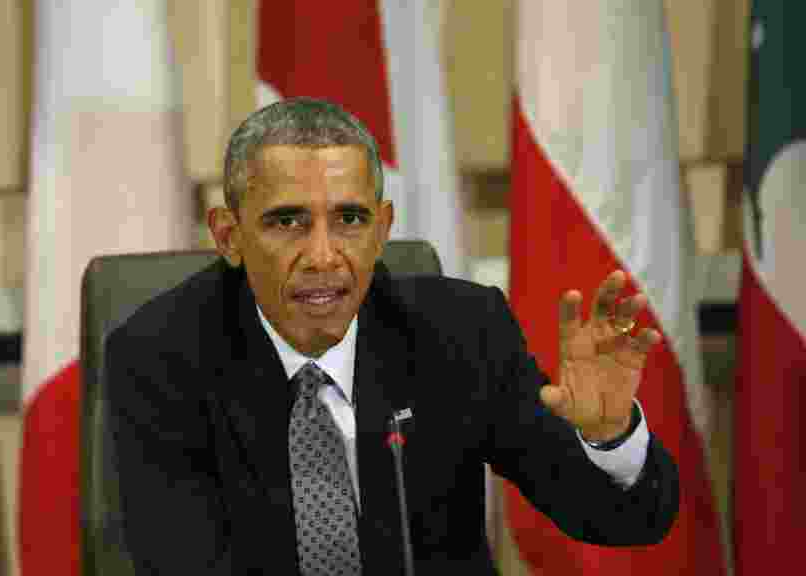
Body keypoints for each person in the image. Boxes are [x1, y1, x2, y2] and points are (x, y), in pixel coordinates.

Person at [106, 97, 678, 575]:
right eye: (289, 221)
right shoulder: (160, 356)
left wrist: (608, 437)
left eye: (350, 220)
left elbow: (624, 519)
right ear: (229, 236)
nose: (324, 256)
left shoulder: (460, 333)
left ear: (382, 231)